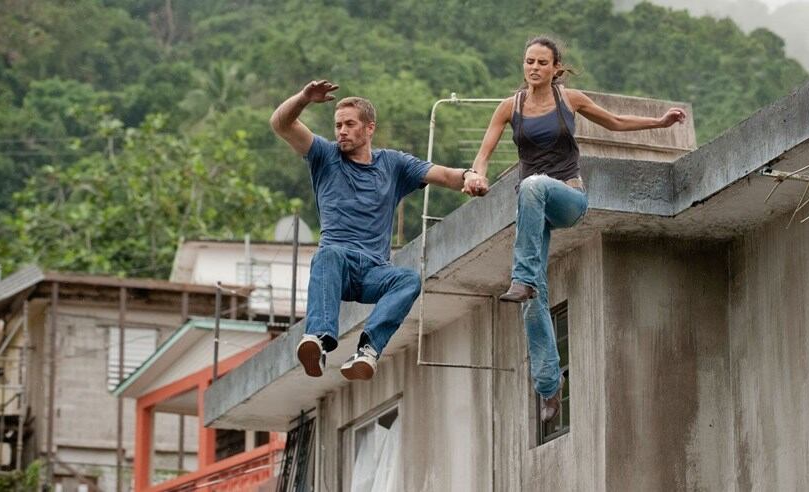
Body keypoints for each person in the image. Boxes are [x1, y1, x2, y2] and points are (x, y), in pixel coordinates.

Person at [464, 37, 686, 422]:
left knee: (532, 185)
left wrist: (660, 123)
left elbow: (615, 122)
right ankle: (550, 387)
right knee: (533, 304)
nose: (533, 67)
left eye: (541, 62)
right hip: (534, 210)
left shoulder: (570, 100)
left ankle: (523, 277)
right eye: (528, 61)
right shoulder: (509, 108)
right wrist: (475, 177)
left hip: (567, 198)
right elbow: (482, 156)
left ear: (555, 68)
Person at [270, 80, 484, 381]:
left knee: (408, 279)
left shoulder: (393, 164)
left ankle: (368, 350)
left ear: (369, 128)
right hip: (337, 266)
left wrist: (469, 176)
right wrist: (304, 97)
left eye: (349, 124)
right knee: (327, 254)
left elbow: (444, 175)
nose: (341, 131)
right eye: (337, 125)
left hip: (373, 272)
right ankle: (318, 340)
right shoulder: (324, 156)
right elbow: (280, 124)